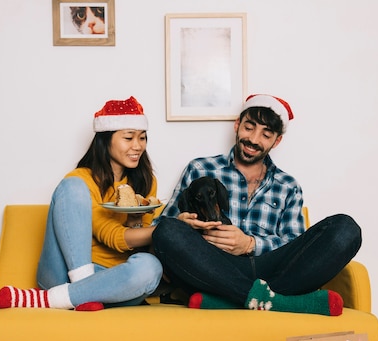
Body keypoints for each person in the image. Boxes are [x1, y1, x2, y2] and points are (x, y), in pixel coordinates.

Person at [152, 94, 361, 316]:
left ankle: (234, 299)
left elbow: (296, 245)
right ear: (237, 125)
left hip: (272, 269)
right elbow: (161, 227)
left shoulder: (288, 186)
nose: (253, 139)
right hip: (215, 266)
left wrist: (250, 244)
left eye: (266, 134)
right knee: (167, 231)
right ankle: (275, 302)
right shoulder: (200, 169)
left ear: (276, 141)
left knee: (346, 229)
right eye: (249, 128)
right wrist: (186, 226)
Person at [0, 96, 162, 311]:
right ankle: (81, 289)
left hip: (111, 282)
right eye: (129, 138)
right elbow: (108, 233)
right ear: (106, 139)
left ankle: (60, 298)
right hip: (62, 273)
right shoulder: (83, 180)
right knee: (71, 185)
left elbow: (138, 242)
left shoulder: (147, 182)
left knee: (151, 267)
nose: (138, 146)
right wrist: (162, 231)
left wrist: (137, 221)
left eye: (142, 138)